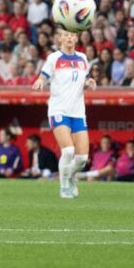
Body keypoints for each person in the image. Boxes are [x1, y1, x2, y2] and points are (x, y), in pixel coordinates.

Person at [33, 28, 97, 198]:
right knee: (68, 151)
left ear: (76, 38)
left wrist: (89, 82)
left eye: (72, 35)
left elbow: (83, 80)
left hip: (78, 112)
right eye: (65, 35)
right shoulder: (54, 58)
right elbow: (43, 75)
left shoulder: (83, 58)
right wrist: (40, 81)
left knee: (82, 158)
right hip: (59, 110)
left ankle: (70, 176)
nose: (69, 38)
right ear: (60, 38)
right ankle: (64, 187)